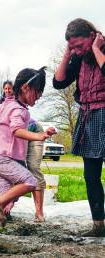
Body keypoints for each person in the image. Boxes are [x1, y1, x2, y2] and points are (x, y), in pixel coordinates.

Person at [0, 67, 56, 234]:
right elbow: (16, 130)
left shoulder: (7, 103)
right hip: (2, 158)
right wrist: (40, 136)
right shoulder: (19, 110)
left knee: (5, 198)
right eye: (37, 92)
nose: (38, 97)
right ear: (25, 88)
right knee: (30, 182)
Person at [53, 18, 105, 236]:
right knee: (90, 174)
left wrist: (96, 49)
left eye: (79, 45)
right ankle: (99, 225)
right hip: (88, 115)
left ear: (92, 36)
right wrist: (68, 53)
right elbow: (59, 82)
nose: (76, 50)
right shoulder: (78, 58)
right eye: (72, 46)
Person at [0, 119, 46, 221]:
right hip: (3, 142)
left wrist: (11, 202)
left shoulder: (6, 144)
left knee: (33, 168)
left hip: (32, 131)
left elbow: (20, 175)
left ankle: (39, 213)